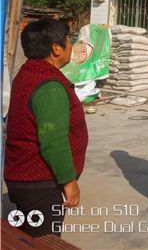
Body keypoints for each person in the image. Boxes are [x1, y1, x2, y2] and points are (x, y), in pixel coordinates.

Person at [4, 19, 88, 237]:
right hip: (40, 183)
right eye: (68, 40)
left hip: (22, 176)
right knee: (44, 241)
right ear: (56, 48)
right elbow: (53, 141)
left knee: (28, 237)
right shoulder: (50, 87)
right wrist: (69, 181)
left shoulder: (28, 72)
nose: (71, 45)